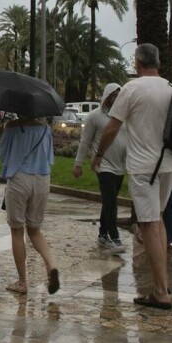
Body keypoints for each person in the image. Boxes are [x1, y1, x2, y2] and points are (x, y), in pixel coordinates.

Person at [94, 43, 172, 310]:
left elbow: (111, 128)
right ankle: (161, 284)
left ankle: (160, 292)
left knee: (149, 225)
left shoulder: (131, 89)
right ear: (158, 63)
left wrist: (99, 154)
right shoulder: (171, 88)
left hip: (145, 168)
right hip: (171, 164)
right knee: (159, 221)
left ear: (137, 64)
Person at [0, 116, 60, 296]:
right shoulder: (45, 129)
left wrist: (6, 131)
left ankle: (22, 282)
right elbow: (50, 157)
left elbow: (2, 155)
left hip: (19, 179)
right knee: (35, 229)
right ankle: (51, 265)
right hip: (42, 179)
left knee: (17, 230)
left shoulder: (12, 128)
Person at [73, 83, 128, 254]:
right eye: (114, 95)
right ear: (107, 96)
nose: (117, 98)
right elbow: (85, 142)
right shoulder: (94, 117)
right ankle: (114, 236)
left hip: (120, 165)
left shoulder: (123, 116)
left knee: (109, 201)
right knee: (111, 201)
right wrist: (78, 164)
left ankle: (103, 234)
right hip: (103, 166)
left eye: (120, 94)